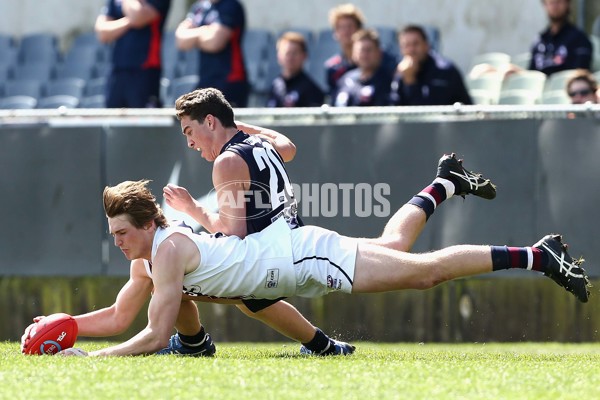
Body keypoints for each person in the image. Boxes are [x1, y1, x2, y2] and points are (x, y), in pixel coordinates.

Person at [55, 153, 590, 357]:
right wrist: (65, 327)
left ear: (148, 224)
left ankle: (539, 256)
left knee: (424, 274)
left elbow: (149, 332)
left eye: (122, 232)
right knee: (394, 246)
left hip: (306, 257)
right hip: (285, 263)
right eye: (114, 234)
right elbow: (123, 315)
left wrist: (92, 361)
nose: (117, 241)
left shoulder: (166, 248)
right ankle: (445, 183)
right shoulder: (149, 253)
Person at [161, 88, 353, 356]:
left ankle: (192, 343)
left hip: (270, 256)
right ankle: (324, 347)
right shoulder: (261, 144)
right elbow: (288, 146)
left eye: (189, 131)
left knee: (165, 273)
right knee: (252, 301)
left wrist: (191, 207)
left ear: (210, 121)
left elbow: (232, 234)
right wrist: (239, 127)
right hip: (292, 244)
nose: (190, 142)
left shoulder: (227, 161)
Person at [95, 0, 171, 108]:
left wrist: (132, 18)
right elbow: (102, 33)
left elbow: (137, 16)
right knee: (113, 120)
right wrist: (129, 21)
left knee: (144, 120)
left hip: (145, 69)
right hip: (117, 70)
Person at [174, 0, 249, 107]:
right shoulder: (199, 7)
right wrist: (205, 30)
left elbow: (215, 43)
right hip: (205, 80)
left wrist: (195, 36)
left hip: (230, 80)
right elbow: (181, 41)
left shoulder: (230, 5)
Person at [324, 3, 396, 101]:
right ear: (335, 33)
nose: (346, 31)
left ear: (359, 29)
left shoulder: (382, 58)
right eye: (341, 27)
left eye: (350, 26)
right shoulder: (333, 67)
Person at [389, 24, 472, 106]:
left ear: (426, 45)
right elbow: (394, 106)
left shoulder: (444, 70)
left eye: (416, 44)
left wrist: (410, 81)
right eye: (406, 45)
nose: (411, 50)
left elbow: (430, 111)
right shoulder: (403, 70)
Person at [529, 0, 592, 76]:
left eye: (559, 2)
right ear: (544, 6)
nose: (555, 6)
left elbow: (581, 73)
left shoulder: (579, 39)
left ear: (568, 4)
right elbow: (531, 73)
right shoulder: (539, 40)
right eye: (551, 3)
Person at [333, 28, 394, 107]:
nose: (365, 55)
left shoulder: (388, 81)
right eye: (361, 50)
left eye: (369, 50)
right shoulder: (345, 80)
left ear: (378, 53)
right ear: (354, 53)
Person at [266, 32, 325, 107]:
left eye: (294, 53)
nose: (290, 58)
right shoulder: (275, 85)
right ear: (279, 56)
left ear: (304, 56)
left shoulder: (311, 90)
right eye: (287, 53)